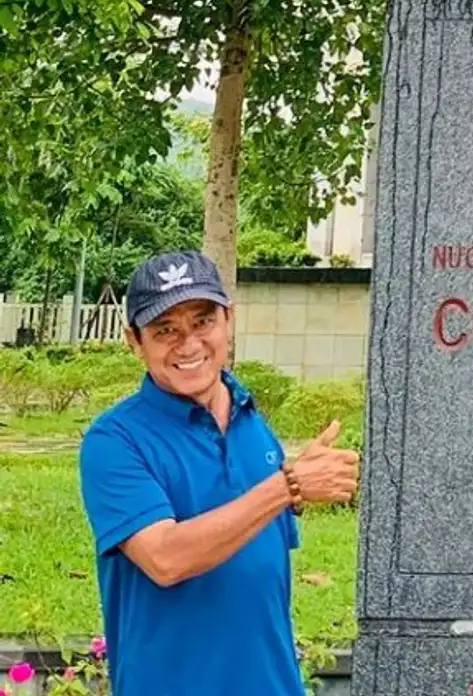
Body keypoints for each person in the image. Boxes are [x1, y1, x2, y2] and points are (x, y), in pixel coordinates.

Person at [78, 251, 360, 695]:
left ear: (229, 319)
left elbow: (258, 565)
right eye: (165, 330)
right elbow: (166, 559)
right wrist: (286, 486)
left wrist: (296, 491)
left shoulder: (251, 421)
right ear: (134, 341)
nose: (188, 344)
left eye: (202, 321)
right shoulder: (114, 441)